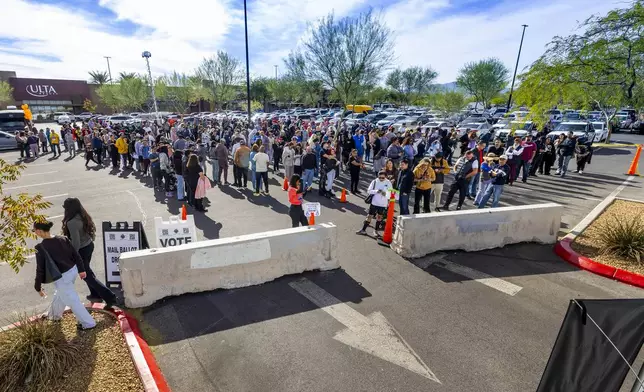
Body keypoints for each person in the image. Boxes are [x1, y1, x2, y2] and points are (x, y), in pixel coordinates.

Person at [33, 221, 96, 330]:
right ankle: (54, 316)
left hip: (61, 277)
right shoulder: (63, 239)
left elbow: (40, 269)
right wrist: (81, 269)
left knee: (72, 299)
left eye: (34, 231)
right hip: (72, 271)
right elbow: (76, 255)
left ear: (39, 231)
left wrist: (37, 287)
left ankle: (88, 323)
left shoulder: (40, 247)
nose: (35, 233)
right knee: (61, 294)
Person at [61, 198, 117, 308]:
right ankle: (95, 294)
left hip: (81, 250)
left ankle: (110, 297)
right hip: (89, 245)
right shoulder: (83, 215)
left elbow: (76, 242)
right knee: (88, 272)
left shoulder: (71, 223)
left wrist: (72, 256)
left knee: (86, 275)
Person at [356, 171, 393, 237]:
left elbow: (390, 194)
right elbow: (369, 191)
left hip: (383, 204)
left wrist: (386, 194)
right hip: (374, 203)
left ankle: (376, 231)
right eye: (380, 177)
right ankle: (363, 230)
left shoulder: (388, 182)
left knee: (379, 217)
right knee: (369, 216)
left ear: (386, 177)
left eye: (383, 178)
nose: (381, 179)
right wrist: (377, 191)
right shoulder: (375, 181)